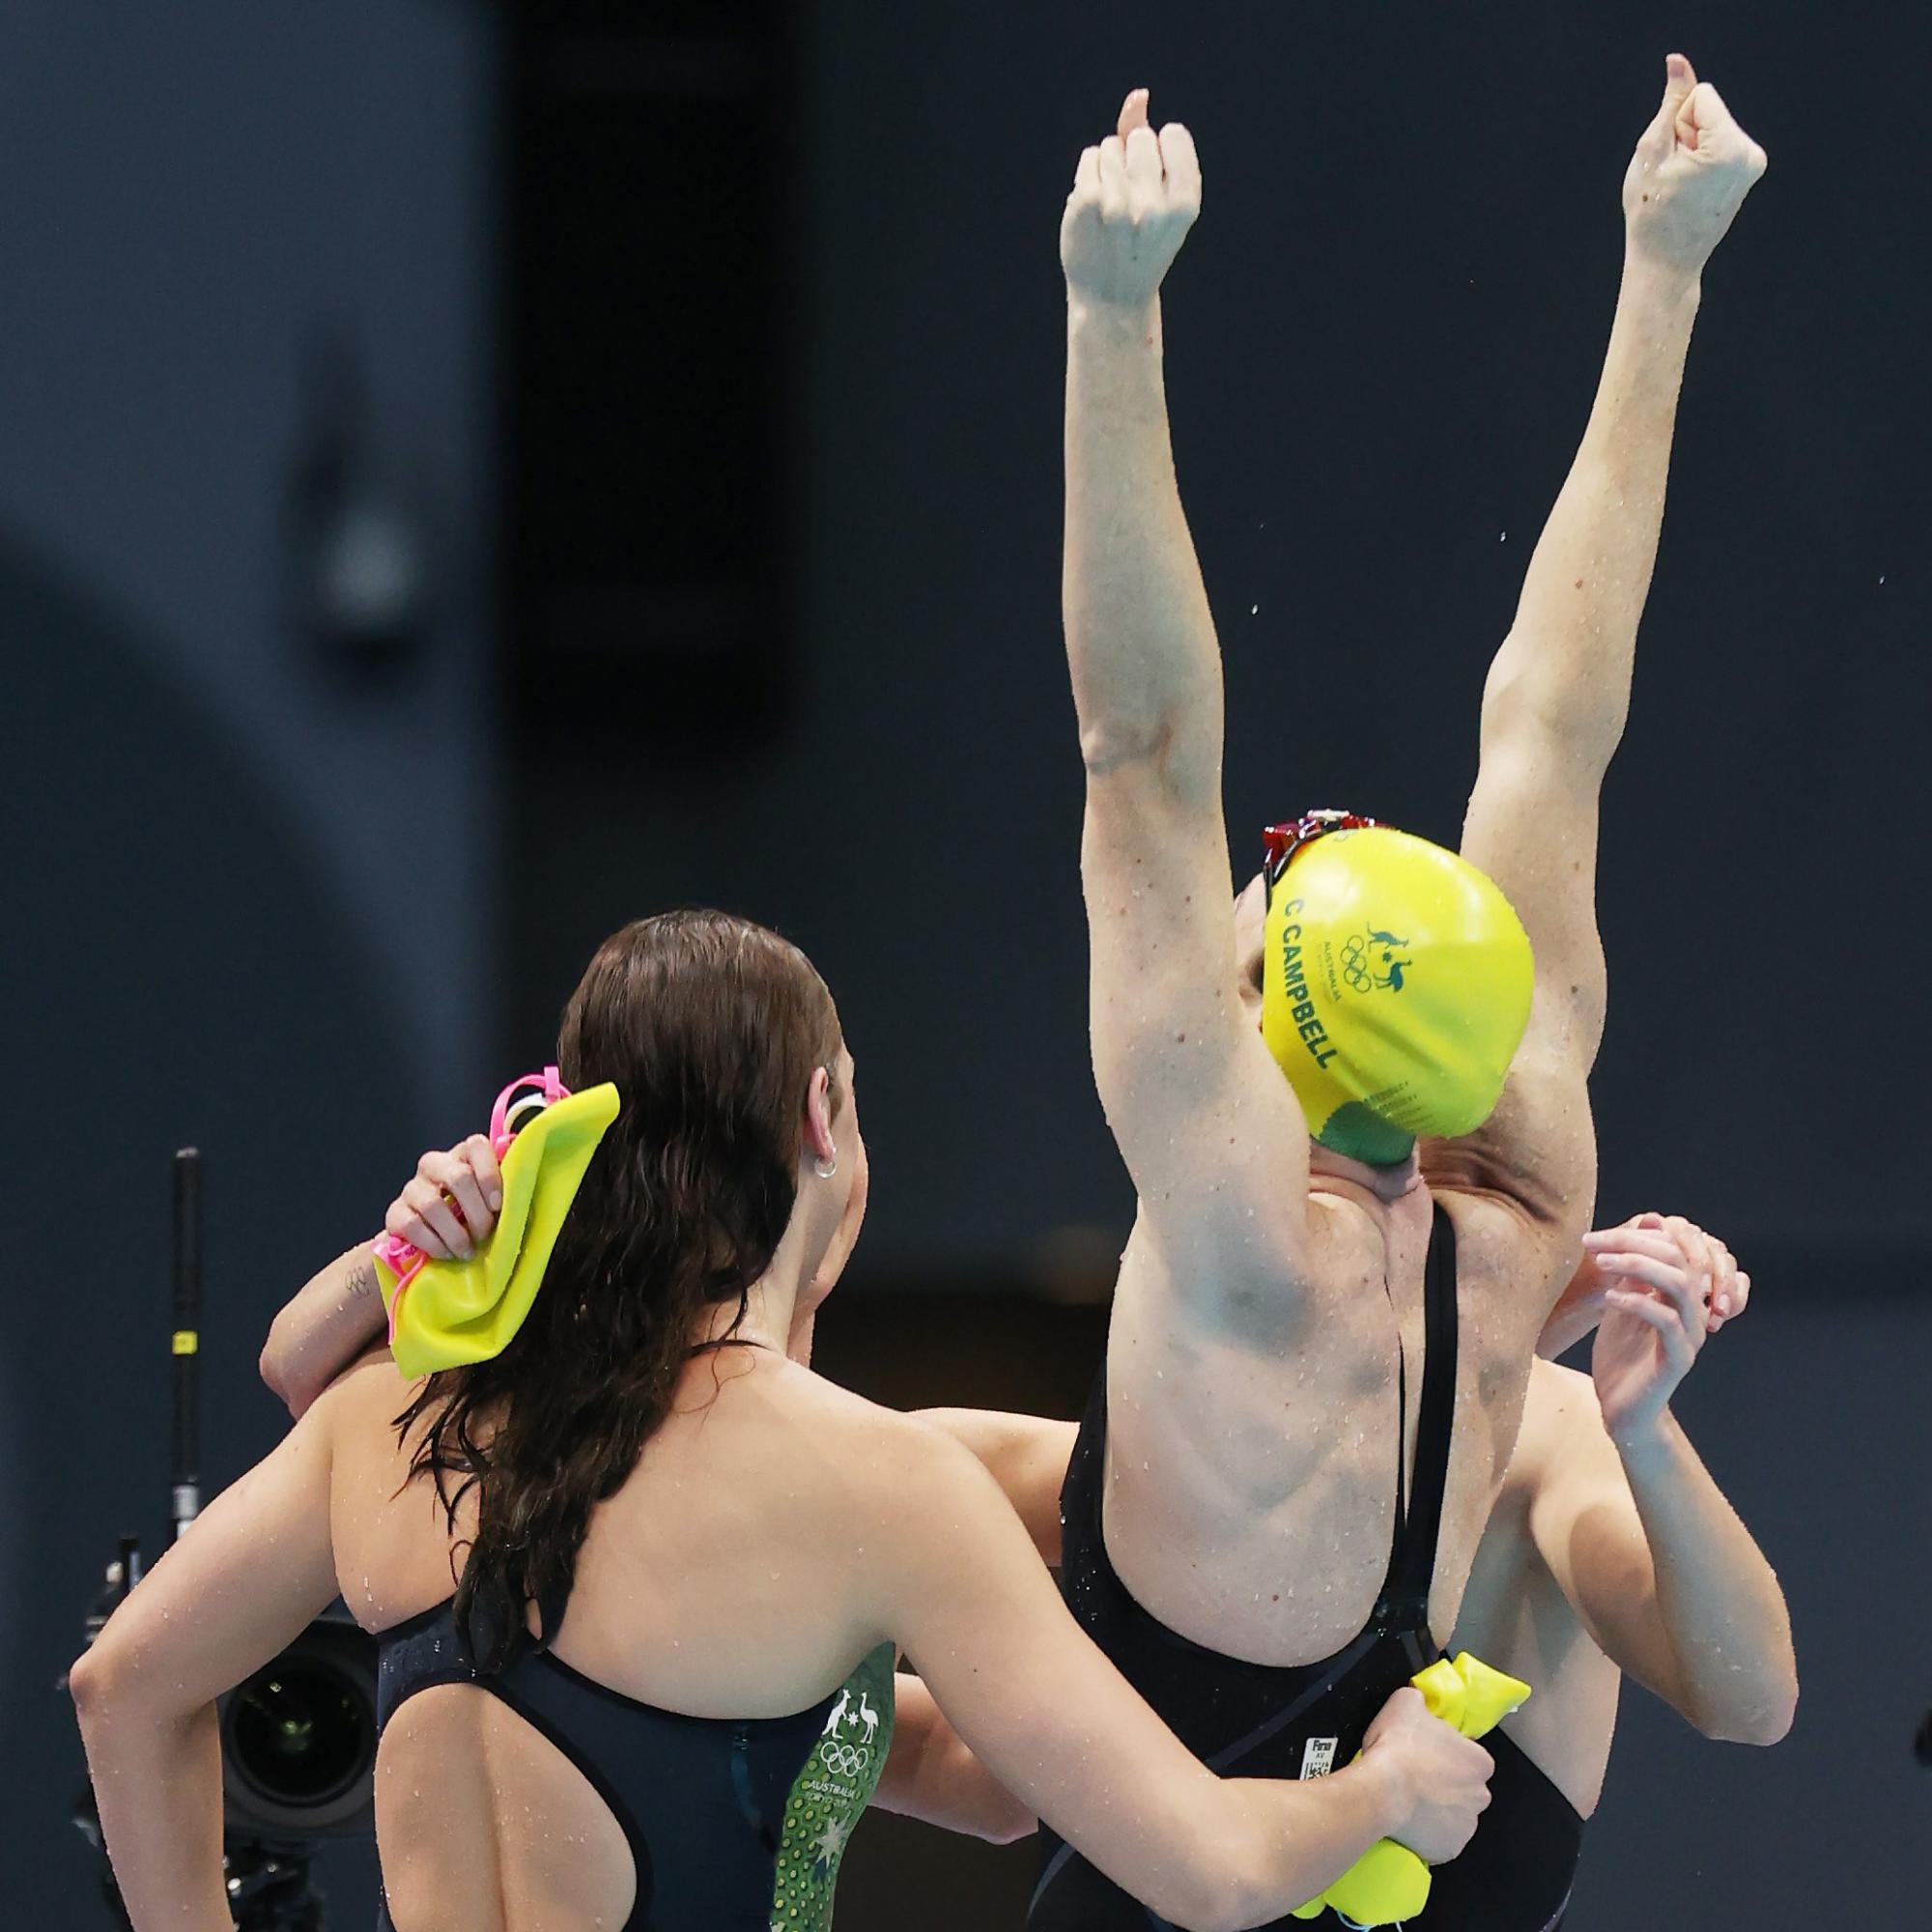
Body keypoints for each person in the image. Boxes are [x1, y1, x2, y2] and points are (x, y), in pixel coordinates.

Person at [72, 911, 1493, 1932]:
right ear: (824, 1118)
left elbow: (121, 1687)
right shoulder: (876, 1488)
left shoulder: (386, 1421)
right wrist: (1386, 1795)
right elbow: (1214, 1874)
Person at [1036, 59, 1766, 1923]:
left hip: (1175, 1870)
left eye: (1259, 888)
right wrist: (1663, 271)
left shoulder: (1230, 1227)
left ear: (1267, 1019)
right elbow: (1557, 722)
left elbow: (1143, 742)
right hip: (1397, 1833)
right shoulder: (1521, 1209)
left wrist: (1111, 318)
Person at [926, 1208, 1797, 1928]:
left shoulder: (1545, 1445)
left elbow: (1748, 1701)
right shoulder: (1201, 1460)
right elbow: (879, 1480)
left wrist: (1642, 1430)